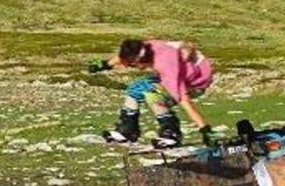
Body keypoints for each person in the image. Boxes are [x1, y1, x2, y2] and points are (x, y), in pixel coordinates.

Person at [87, 38, 215, 148]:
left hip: (196, 82)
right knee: (134, 90)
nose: (126, 67)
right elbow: (125, 56)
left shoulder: (167, 68)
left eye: (132, 65)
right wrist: (104, 65)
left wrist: (204, 129)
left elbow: (185, 102)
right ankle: (127, 131)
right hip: (184, 69)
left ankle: (171, 134)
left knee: (153, 95)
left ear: (138, 62)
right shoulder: (147, 47)